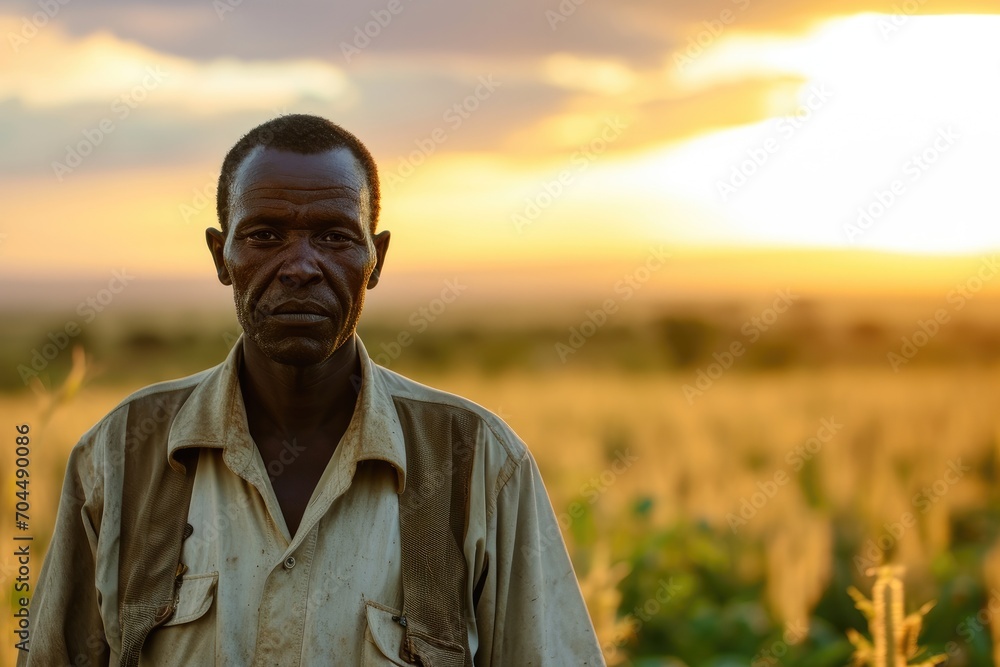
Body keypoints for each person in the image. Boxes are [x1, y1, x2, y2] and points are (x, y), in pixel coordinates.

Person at [19, 114, 606, 666]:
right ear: (220, 256)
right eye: (266, 236)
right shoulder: (121, 453)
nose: (300, 266)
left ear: (376, 259)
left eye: (334, 237)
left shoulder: (479, 461)